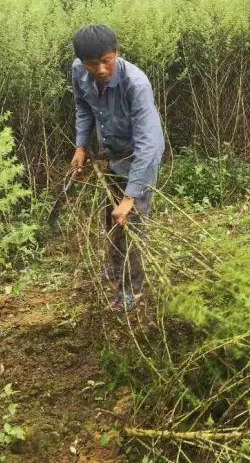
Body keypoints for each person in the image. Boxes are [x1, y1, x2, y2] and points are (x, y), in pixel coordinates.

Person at [69, 25, 165, 313]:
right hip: (109, 156)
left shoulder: (136, 84)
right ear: (82, 62)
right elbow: (83, 107)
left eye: (106, 61)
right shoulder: (78, 71)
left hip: (138, 159)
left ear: (117, 53)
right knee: (111, 219)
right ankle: (113, 269)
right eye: (92, 64)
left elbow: (149, 146)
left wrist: (130, 197)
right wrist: (81, 145)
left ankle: (133, 289)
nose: (99, 69)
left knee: (131, 224)